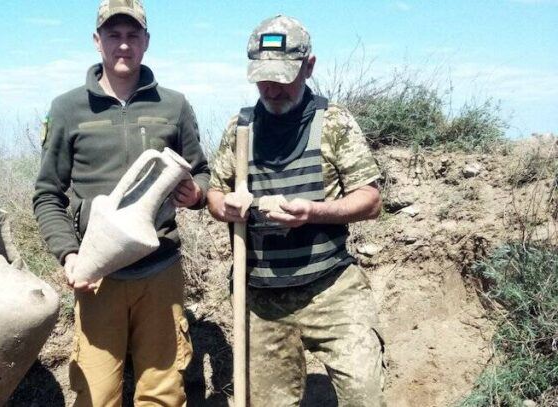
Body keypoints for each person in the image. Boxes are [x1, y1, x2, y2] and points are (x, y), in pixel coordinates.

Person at [32, 0, 210, 405]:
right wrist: (69, 254)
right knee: (96, 396)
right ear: (97, 41)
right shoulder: (68, 108)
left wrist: (196, 194)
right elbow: (47, 194)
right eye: (114, 35)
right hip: (99, 276)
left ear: (146, 41)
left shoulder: (174, 105)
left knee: (164, 393)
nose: (124, 45)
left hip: (161, 270)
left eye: (133, 35)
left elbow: (201, 171)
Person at [207, 15, 386, 407]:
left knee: (364, 395)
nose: (272, 88)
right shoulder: (241, 128)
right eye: (263, 78)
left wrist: (313, 212)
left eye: (283, 77)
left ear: (309, 66)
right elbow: (215, 194)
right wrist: (227, 207)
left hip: (332, 289)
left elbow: (370, 200)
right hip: (262, 299)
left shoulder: (333, 123)